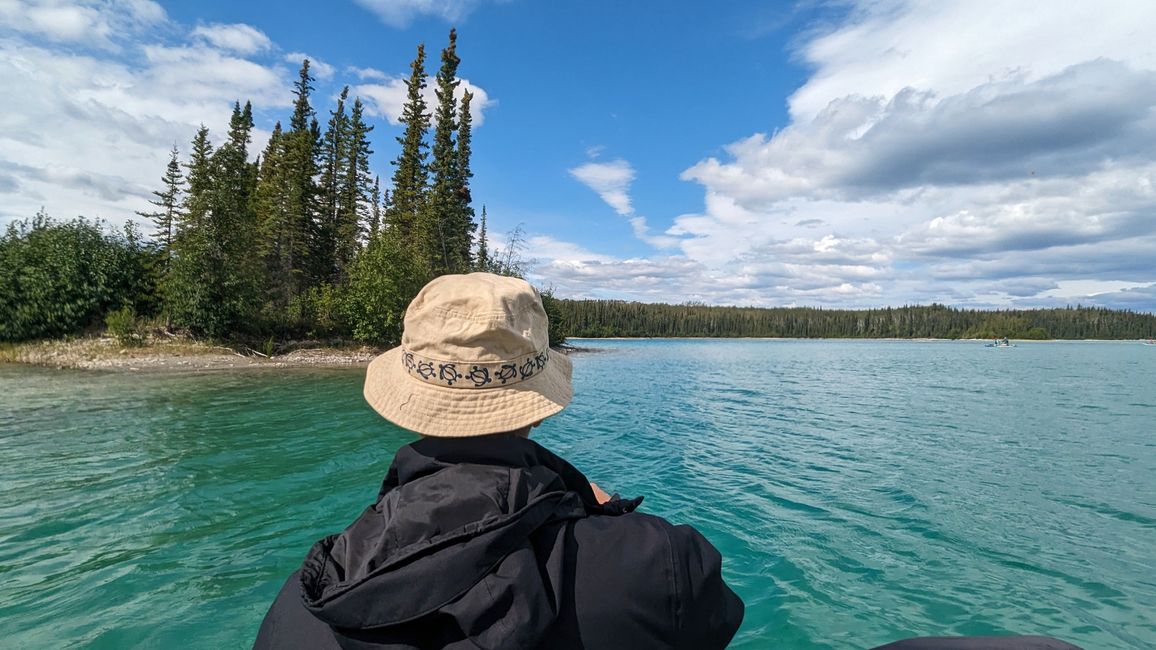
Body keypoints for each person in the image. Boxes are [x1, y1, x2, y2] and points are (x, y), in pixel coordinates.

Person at [254, 273, 745, 649]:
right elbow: (712, 616)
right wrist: (612, 516)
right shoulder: (658, 562)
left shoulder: (305, 600)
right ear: (538, 406)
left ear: (410, 402)